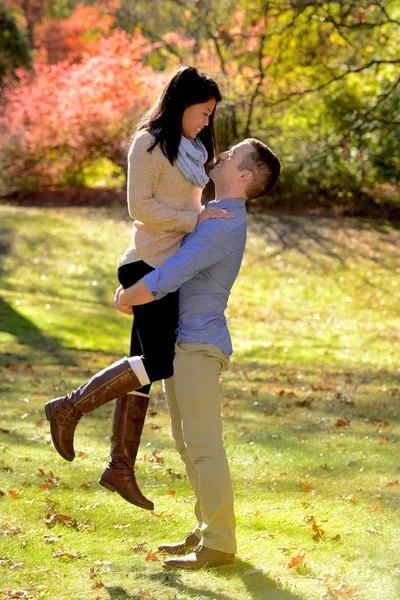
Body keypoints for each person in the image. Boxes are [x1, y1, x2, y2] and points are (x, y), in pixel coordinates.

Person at [45, 66, 232, 511]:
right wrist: (196, 219)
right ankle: (68, 408)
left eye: (209, 115)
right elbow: (141, 208)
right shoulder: (147, 144)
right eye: (202, 112)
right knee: (158, 361)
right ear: (181, 103)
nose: (206, 122)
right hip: (147, 267)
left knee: (143, 369)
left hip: (171, 270)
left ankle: (119, 467)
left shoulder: (191, 147)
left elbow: (191, 201)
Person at [113, 137, 282, 569]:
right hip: (184, 342)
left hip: (198, 346)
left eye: (230, 156)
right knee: (188, 447)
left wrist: (130, 294)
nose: (220, 156)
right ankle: (207, 529)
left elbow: (175, 272)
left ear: (243, 175)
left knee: (204, 447)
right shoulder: (214, 216)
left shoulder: (224, 223)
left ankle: (220, 544)